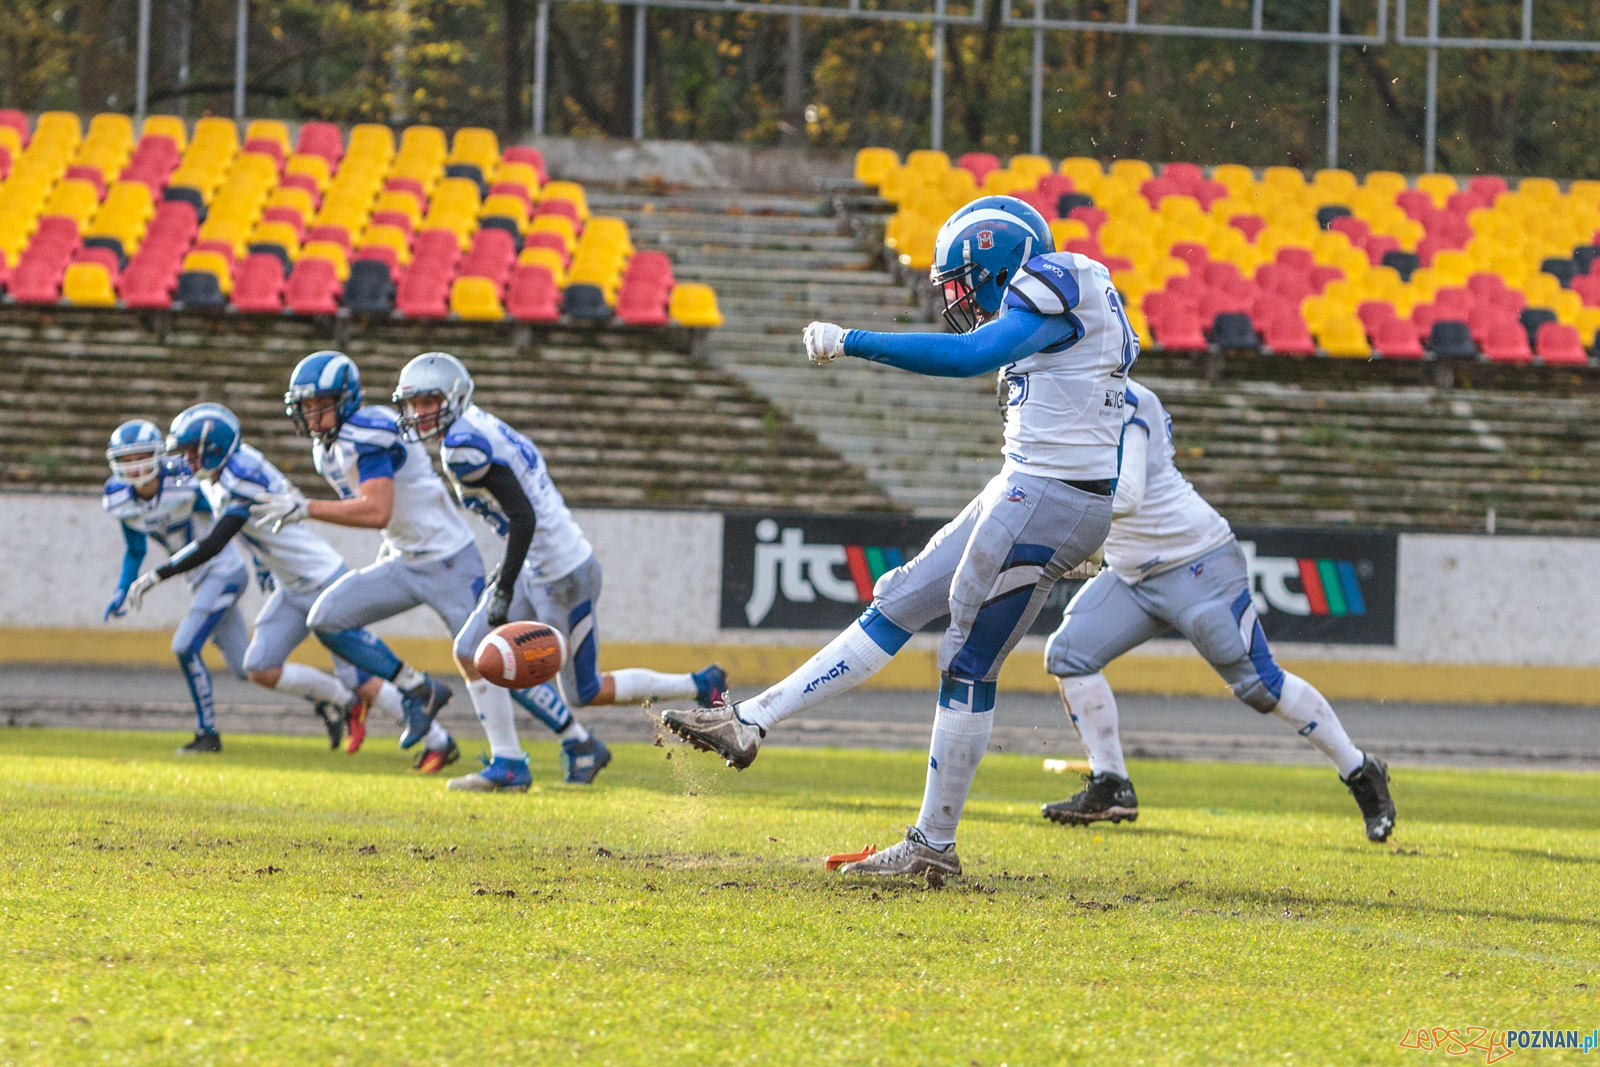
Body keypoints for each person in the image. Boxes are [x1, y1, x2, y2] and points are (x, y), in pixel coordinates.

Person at [660, 194, 1133, 876]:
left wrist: (853, 339)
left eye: (963, 280)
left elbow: (974, 354)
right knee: (901, 596)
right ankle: (748, 721)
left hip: (1047, 495)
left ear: (999, 263)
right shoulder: (1073, 290)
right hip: (1037, 487)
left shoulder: (1054, 277)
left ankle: (931, 847)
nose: (959, 295)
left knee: (967, 658)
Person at [1041, 378, 1396, 842]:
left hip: (1196, 563)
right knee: (1069, 654)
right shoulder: (1065, 400)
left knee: (1259, 686)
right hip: (1131, 573)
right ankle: (1111, 784)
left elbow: (1125, 495)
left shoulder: (1126, 398)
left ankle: (1359, 770)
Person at [390, 351, 728, 791]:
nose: (418, 414)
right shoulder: (474, 426)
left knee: (583, 692)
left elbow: (524, 517)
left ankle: (700, 683)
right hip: (537, 564)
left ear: (452, 398)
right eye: (413, 405)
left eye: (427, 402)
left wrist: (503, 588)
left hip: (563, 573)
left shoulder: (462, 447)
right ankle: (508, 763)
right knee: (471, 651)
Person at [127, 403, 430, 759]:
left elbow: (214, 543)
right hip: (293, 585)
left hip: (322, 579)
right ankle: (344, 701)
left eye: (194, 451)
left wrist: (158, 574)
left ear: (215, 448)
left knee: (360, 676)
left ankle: (437, 739)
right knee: (258, 667)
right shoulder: (225, 469)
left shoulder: (237, 477)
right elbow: (255, 536)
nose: (188, 460)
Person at [102, 419, 256, 754]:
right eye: (125, 459)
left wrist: (261, 564)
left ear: (157, 455)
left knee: (184, 646)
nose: (133, 466)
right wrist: (121, 589)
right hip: (198, 580)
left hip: (223, 570)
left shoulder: (184, 481)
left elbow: (232, 521)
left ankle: (207, 734)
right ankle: (329, 700)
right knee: (250, 668)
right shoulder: (118, 498)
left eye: (140, 456)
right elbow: (136, 549)